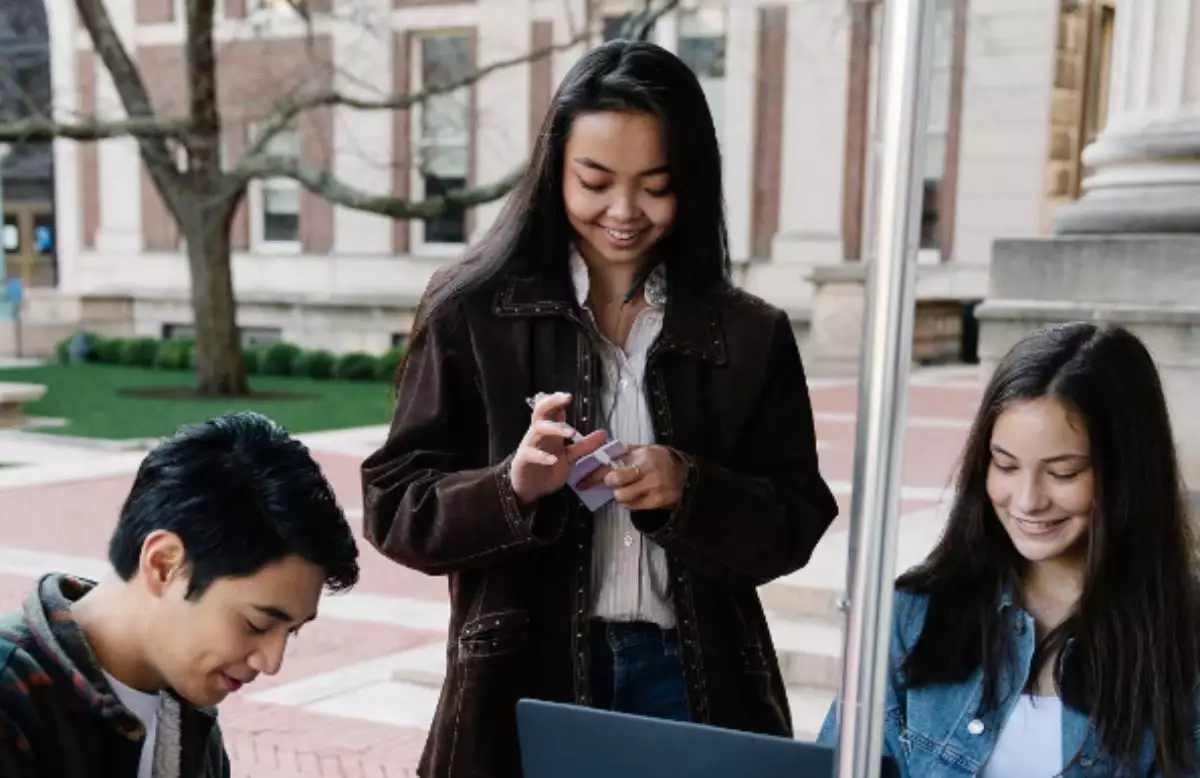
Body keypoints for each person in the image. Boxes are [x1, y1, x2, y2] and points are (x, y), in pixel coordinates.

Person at [361, 39, 839, 778]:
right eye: (595, 181)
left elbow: (797, 519)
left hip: (695, 678)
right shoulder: (472, 311)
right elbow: (394, 505)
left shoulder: (750, 334)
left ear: (694, 182)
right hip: (523, 680)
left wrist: (690, 486)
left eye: (655, 184)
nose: (624, 211)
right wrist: (511, 486)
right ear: (555, 173)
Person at [818, 322, 1200, 777]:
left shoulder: (1182, 635)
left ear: (1127, 472)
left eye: (1063, 472)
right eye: (1006, 465)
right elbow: (837, 765)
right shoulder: (914, 614)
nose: (1026, 500)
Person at [0, 411, 360, 778]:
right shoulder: (14, 697)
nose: (271, 663)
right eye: (257, 624)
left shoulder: (187, 711)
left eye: (292, 630)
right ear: (164, 565)